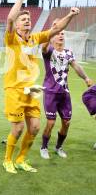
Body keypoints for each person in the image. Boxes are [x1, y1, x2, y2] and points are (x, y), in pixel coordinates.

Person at [2, 0, 81, 174]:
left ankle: (21, 159)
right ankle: (7, 160)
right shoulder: (12, 38)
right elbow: (9, 19)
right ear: (18, 24)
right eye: (24, 19)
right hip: (14, 89)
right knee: (18, 128)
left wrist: (70, 15)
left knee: (35, 127)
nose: (27, 21)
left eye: (28, 19)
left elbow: (56, 29)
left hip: (33, 89)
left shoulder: (34, 39)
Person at [40, 22, 93, 159]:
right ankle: (44, 147)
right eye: (58, 33)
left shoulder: (68, 53)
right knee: (50, 123)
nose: (60, 35)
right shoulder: (49, 51)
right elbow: (43, 45)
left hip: (64, 93)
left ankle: (58, 147)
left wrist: (86, 78)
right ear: (52, 37)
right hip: (51, 93)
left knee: (67, 123)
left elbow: (76, 67)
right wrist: (52, 30)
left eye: (62, 33)